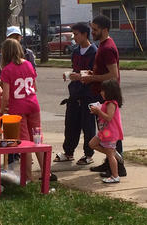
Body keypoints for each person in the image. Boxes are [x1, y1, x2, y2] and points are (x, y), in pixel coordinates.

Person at [80, 15, 127, 177]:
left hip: (107, 95)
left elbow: (113, 75)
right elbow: (106, 72)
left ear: (105, 30)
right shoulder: (103, 45)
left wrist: (92, 78)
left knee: (111, 131)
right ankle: (109, 162)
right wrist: (94, 73)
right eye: (92, 28)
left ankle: (118, 166)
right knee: (104, 131)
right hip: (101, 93)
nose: (92, 32)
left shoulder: (107, 48)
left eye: (95, 29)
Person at [0, 38, 46, 182]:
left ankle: (28, 176)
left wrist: (1, 110)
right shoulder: (29, 65)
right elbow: (35, 87)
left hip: (18, 108)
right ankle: (46, 173)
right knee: (37, 140)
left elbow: (6, 96)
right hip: (33, 104)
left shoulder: (7, 70)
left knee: (25, 142)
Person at [53, 22, 98, 165]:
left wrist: (80, 76)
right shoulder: (76, 51)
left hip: (88, 94)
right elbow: (75, 69)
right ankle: (68, 152)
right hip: (74, 93)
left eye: (76, 34)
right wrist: (71, 75)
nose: (74, 37)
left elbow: (95, 73)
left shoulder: (94, 52)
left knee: (88, 126)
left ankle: (88, 154)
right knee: (71, 124)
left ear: (85, 34)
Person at [89, 80, 124, 183]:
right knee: (92, 144)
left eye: (103, 90)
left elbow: (109, 118)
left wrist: (98, 111)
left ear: (110, 92)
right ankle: (114, 153)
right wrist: (98, 109)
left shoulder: (112, 104)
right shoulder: (106, 103)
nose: (101, 92)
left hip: (110, 132)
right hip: (104, 131)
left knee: (109, 155)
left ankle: (115, 176)